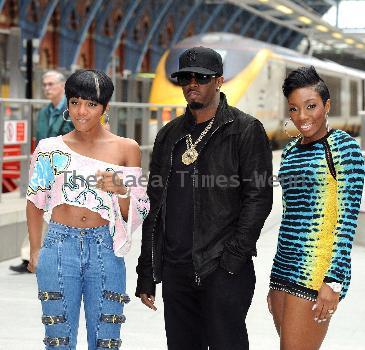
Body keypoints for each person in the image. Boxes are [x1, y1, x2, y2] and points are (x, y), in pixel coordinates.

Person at [136, 46, 273, 349]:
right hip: (176, 271)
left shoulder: (245, 130)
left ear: (219, 81)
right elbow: (153, 205)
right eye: (186, 78)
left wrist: (232, 259)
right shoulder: (169, 135)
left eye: (202, 77)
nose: (192, 84)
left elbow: (259, 197)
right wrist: (147, 270)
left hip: (221, 269)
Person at [26, 69, 149, 349]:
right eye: (75, 102)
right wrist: (36, 250)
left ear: (106, 107)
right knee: (59, 342)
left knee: (106, 341)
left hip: (105, 249)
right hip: (58, 247)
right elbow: (35, 201)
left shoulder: (127, 149)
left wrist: (122, 189)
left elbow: (137, 211)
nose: (81, 111)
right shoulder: (49, 149)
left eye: (91, 104)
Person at [267, 66, 365, 349]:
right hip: (284, 269)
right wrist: (275, 275)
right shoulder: (290, 151)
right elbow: (289, 216)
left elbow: (347, 222)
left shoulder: (343, 147)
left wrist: (334, 282)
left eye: (311, 106)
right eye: (294, 109)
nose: (302, 117)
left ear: (327, 105)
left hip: (316, 271)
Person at [10, 70, 74, 273]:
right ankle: (29, 256)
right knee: (36, 209)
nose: (47, 88)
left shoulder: (72, 110)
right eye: (44, 84)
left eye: (51, 84)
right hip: (45, 169)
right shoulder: (44, 113)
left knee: (61, 213)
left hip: (66, 168)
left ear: (62, 86)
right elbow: (39, 141)